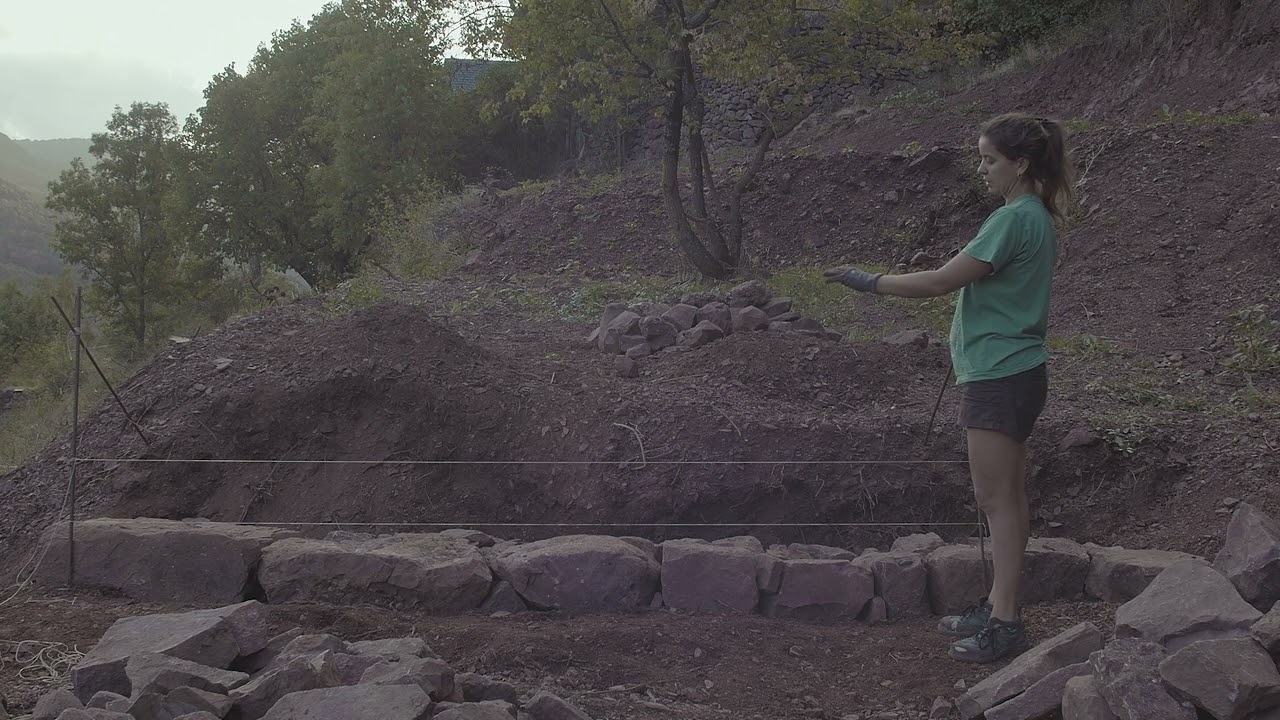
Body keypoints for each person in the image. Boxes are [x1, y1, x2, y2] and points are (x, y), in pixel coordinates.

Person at [824, 113, 1074, 664]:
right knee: (1008, 499)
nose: (982, 170)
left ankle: (1006, 621)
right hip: (1018, 370)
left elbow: (941, 279)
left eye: (989, 160)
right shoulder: (1035, 216)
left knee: (996, 501)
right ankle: (999, 603)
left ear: (1021, 163)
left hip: (999, 374)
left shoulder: (1012, 219)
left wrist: (870, 282)